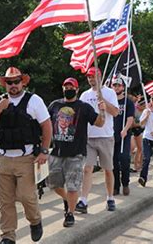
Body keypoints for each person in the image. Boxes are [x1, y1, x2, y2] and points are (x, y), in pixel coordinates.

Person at [0, 67, 52, 244]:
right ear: (5, 84)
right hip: (4, 158)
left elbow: (47, 126)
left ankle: (35, 220)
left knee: (26, 196)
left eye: (16, 81)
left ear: (23, 82)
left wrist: (44, 151)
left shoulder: (34, 100)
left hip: (27, 157)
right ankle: (8, 236)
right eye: (9, 82)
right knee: (5, 201)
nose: (13, 85)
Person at [47, 77, 105, 227]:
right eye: (66, 87)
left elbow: (99, 123)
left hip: (76, 153)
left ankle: (70, 214)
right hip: (56, 152)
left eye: (71, 87)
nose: (68, 89)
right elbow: (44, 123)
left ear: (77, 89)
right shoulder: (54, 105)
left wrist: (102, 110)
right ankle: (68, 199)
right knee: (53, 184)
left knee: (73, 186)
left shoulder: (83, 107)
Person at [76, 67, 119, 213]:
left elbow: (115, 112)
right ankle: (83, 200)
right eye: (89, 77)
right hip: (89, 137)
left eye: (93, 76)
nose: (91, 79)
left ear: (100, 76)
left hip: (105, 136)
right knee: (87, 169)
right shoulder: (84, 95)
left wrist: (104, 103)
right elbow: (79, 114)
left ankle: (110, 197)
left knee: (107, 169)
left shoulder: (109, 92)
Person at [111, 77, 135, 196]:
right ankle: (115, 186)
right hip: (111, 135)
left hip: (124, 135)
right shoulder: (110, 101)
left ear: (123, 87)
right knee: (113, 162)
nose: (116, 87)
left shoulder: (128, 102)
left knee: (124, 159)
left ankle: (125, 183)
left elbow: (130, 118)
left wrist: (125, 129)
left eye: (119, 85)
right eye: (115, 85)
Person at [129, 92, 144, 173]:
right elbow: (133, 124)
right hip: (135, 130)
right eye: (143, 105)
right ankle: (136, 166)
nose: (144, 106)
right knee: (138, 148)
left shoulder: (146, 111)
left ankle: (140, 165)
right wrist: (140, 124)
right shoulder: (135, 110)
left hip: (142, 130)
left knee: (140, 149)